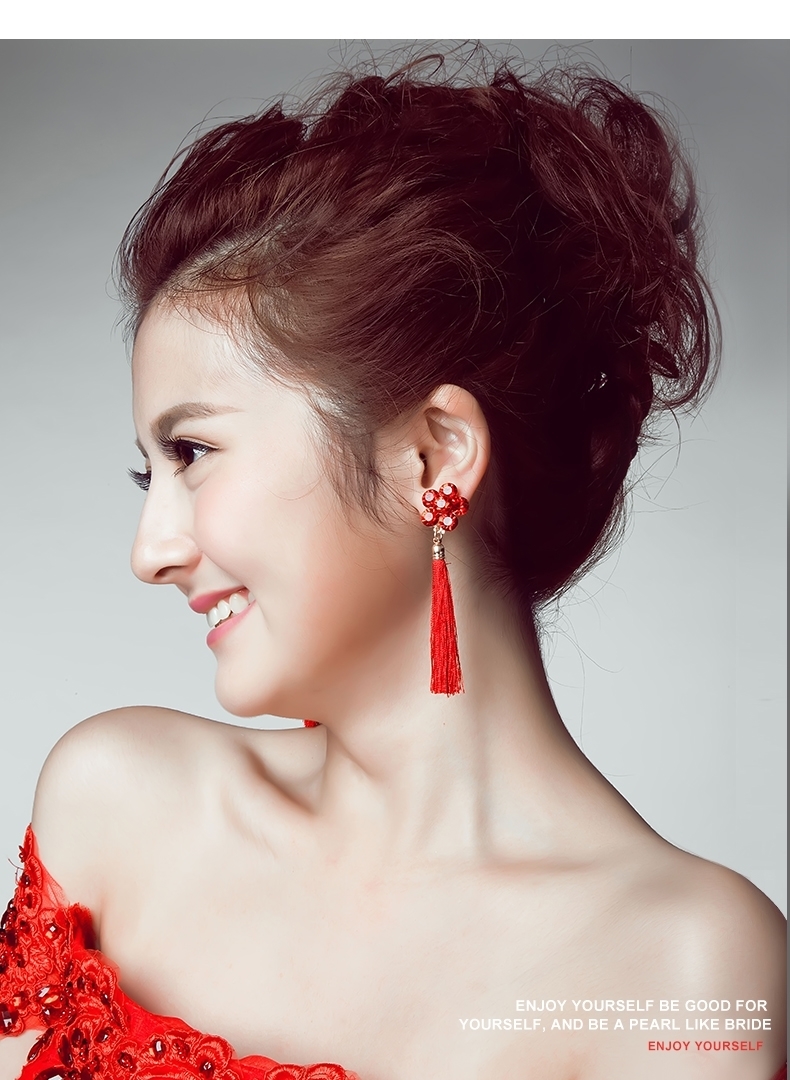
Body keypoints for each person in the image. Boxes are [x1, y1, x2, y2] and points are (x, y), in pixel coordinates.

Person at [0, 50, 785, 1080]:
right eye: (151, 474)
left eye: (192, 452)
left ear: (433, 456)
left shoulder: (686, 967)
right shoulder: (118, 805)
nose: (151, 554)